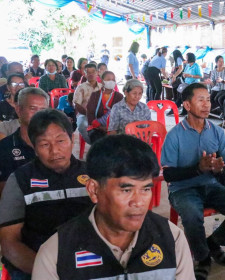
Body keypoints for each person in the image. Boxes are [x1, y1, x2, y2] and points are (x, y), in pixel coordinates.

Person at [32, 134, 195, 279]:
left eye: (146, 189)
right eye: (126, 190)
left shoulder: (172, 239)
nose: (138, 202)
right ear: (94, 190)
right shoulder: (56, 254)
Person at [161, 83, 225, 280]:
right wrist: (198, 168)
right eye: (200, 99)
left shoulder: (216, 132)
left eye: (208, 99)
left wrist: (219, 168)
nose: (207, 104)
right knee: (191, 215)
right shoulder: (174, 136)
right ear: (187, 105)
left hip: (211, 185)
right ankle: (203, 257)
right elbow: (169, 176)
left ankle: (213, 243)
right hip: (183, 189)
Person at [0, 109, 93, 279]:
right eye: (44, 144)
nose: (55, 150)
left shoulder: (93, 174)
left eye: (61, 141)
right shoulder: (20, 180)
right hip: (36, 263)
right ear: (34, 148)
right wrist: (50, 273)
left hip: (90, 261)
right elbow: (9, 243)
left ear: (72, 140)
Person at [0, 87, 49, 195]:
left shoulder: (55, 144)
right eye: (32, 108)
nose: (38, 114)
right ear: (18, 110)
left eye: (42, 110)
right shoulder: (5, 147)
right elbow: (5, 192)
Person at [87, 71, 123, 143]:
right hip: (97, 127)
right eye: (108, 80)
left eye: (113, 80)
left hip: (114, 128)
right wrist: (101, 127)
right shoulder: (95, 95)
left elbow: (120, 114)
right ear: (102, 82)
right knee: (98, 138)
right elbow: (90, 114)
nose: (111, 82)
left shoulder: (119, 96)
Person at [73, 63, 102, 144]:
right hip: (84, 114)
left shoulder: (102, 87)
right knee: (82, 124)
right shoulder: (81, 87)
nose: (91, 74)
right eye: (88, 72)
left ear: (97, 73)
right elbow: (77, 105)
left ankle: (106, 145)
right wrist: (89, 115)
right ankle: (94, 145)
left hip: (101, 115)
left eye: (93, 72)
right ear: (84, 74)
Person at [168, 49, 186, 115]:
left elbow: (180, 68)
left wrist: (175, 76)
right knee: (176, 92)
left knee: (177, 93)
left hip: (179, 79)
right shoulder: (178, 59)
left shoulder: (178, 59)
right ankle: (176, 107)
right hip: (178, 78)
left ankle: (175, 107)